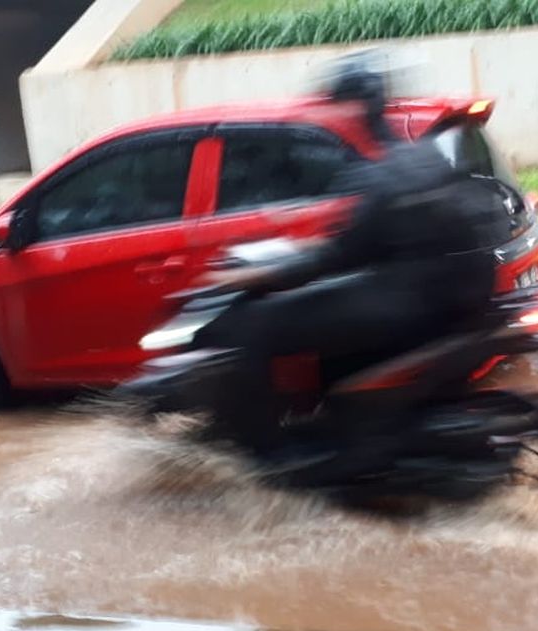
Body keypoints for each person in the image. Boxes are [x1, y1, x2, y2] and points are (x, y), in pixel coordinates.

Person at [198, 56, 511, 418]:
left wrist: (252, 275)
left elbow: (338, 256)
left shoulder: (383, 173)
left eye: (335, 105)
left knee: (261, 325)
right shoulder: (416, 157)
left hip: (413, 304)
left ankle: (265, 451)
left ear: (355, 108)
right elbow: (372, 241)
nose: (328, 115)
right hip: (448, 300)